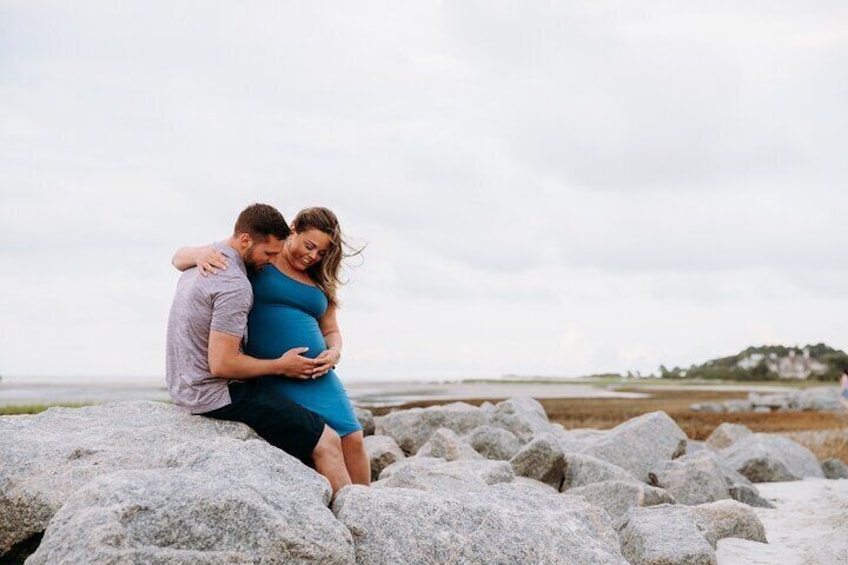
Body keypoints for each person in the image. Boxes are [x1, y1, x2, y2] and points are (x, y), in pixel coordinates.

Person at [173, 206, 371, 485]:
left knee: (352, 438)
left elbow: (331, 330)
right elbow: (180, 256)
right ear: (293, 230)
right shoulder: (261, 257)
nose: (313, 256)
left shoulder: (319, 278)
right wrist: (198, 254)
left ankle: (367, 507)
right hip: (271, 372)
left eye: (322, 253)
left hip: (316, 374)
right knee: (318, 440)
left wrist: (334, 351)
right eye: (310, 245)